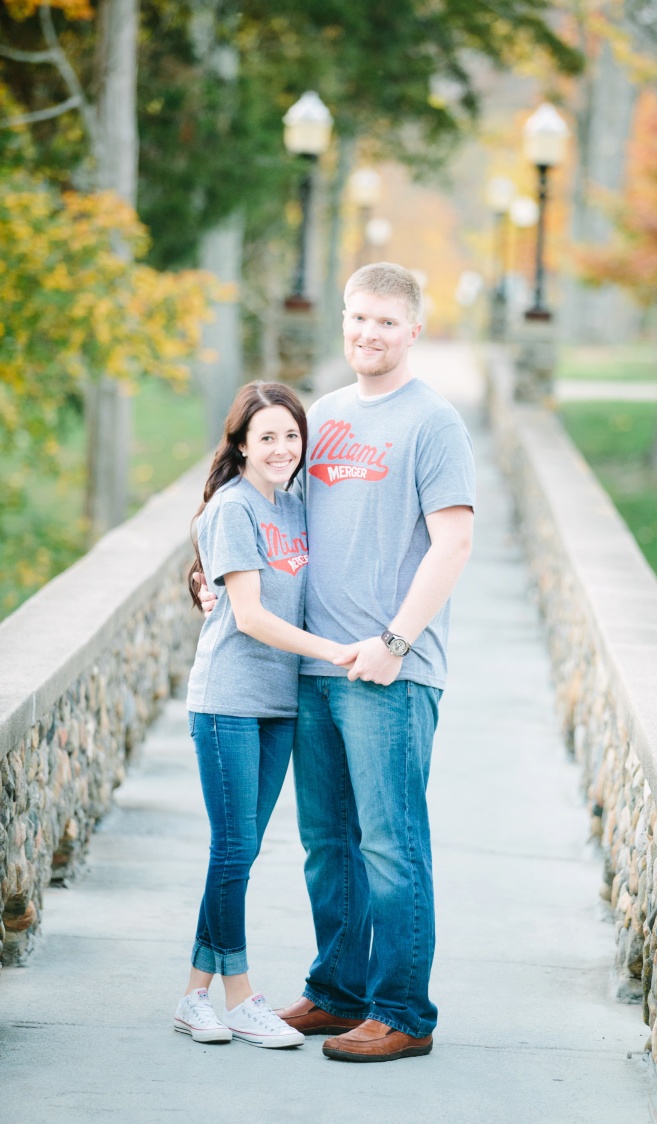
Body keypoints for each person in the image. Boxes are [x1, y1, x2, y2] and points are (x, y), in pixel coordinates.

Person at [202, 262, 475, 1062]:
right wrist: (210, 568)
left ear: (413, 330)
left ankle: (402, 1012)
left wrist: (395, 643)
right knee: (327, 841)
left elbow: (453, 541)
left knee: (391, 844)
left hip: (389, 670)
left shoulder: (434, 423)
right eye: (358, 318)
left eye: (387, 322)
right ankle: (337, 991)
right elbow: (262, 505)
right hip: (314, 667)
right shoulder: (320, 416)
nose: (368, 333)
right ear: (343, 322)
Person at [174, 381, 351, 1049]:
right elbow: (248, 617)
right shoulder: (232, 508)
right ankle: (240, 996)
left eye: (291, 435)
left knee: (238, 855)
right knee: (234, 850)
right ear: (242, 444)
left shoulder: (296, 507)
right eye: (267, 436)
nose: (282, 448)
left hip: (279, 705)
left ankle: (194, 997)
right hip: (227, 702)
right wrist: (334, 651)